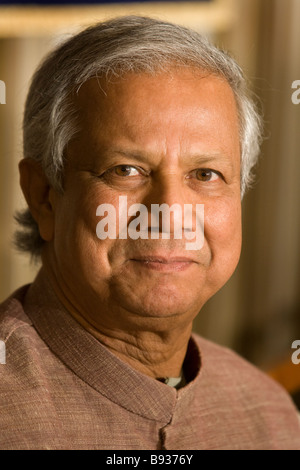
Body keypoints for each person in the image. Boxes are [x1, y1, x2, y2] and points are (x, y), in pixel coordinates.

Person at [0, 15, 299, 451]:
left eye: (206, 174)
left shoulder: (269, 414)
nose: (170, 212)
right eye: (126, 170)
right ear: (44, 195)